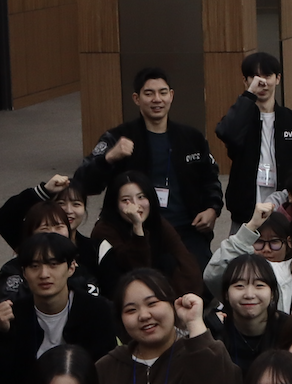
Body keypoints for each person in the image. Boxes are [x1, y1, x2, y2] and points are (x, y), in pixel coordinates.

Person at [75, 66, 223, 267]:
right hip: (133, 230)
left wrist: (212, 208)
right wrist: (109, 158)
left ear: (171, 96)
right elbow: (83, 183)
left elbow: (210, 178)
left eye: (163, 92)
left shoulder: (192, 138)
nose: (157, 99)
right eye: (149, 93)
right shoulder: (119, 138)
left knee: (197, 279)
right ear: (136, 99)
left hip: (186, 229)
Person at [0, 233, 118, 384]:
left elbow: (104, 370)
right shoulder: (13, 313)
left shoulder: (97, 310)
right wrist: (3, 333)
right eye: (34, 266)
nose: (44, 274)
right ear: (24, 273)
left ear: (71, 267)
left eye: (53, 264)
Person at [92, 269, 240, 384]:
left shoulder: (197, 354)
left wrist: (194, 322)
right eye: (131, 310)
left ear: (173, 304)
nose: (144, 315)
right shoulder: (107, 367)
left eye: (152, 303)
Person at [215, 50, 292, 214]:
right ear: (245, 81)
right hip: (246, 210)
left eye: (267, 76)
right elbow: (226, 133)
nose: (262, 83)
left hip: (286, 209)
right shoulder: (240, 120)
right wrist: (249, 95)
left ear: (277, 78)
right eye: (255, 77)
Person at [92, 169, 205, 300]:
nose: (136, 205)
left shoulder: (157, 222)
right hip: (122, 294)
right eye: (126, 200)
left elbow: (184, 259)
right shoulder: (104, 230)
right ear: (115, 205)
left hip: (159, 291)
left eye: (141, 197)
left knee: (172, 262)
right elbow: (137, 267)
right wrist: (137, 226)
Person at [0, 172, 102, 284]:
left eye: (76, 204)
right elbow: (4, 217)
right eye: (61, 203)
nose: (69, 211)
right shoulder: (29, 243)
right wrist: (43, 191)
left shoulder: (96, 250)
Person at [209, 253, 283, 379]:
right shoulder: (212, 329)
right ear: (226, 294)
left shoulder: (287, 329)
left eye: (259, 285)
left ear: (272, 293)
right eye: (239, 286)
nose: (249, 295)